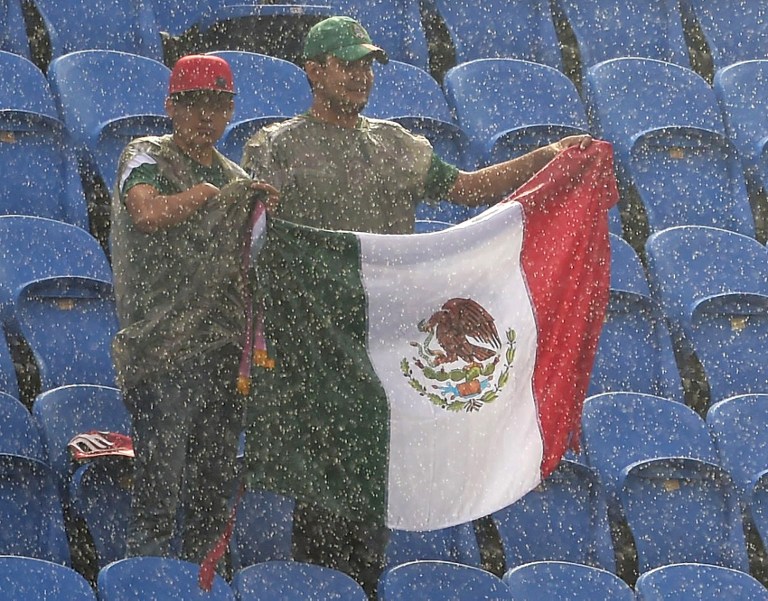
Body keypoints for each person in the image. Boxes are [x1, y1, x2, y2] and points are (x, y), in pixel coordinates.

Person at [240, 15, 593, 595]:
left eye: (366, 65)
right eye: (347, 64)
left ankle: (364, 587)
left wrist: (546, 158)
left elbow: (471, 189)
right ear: (313, 70)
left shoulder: (395, 144)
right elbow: (258, 233)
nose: (360, 76)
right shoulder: (277, 147)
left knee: (376, 493)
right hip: (313, 350)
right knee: (325, 502)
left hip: (385, 351)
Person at [109, 54, 278, 565]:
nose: (207, 116)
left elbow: (253, 264)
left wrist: (265, 213)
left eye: (218, 105)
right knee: (158, 498)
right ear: (171, 107)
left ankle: (201, 584)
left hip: (221, 355)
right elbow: (145, 213)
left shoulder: (234, 176)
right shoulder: (146, 156)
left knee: (210, 498)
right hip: (161, 353)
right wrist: (202, 196)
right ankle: (149, 586)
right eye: (194, 104)